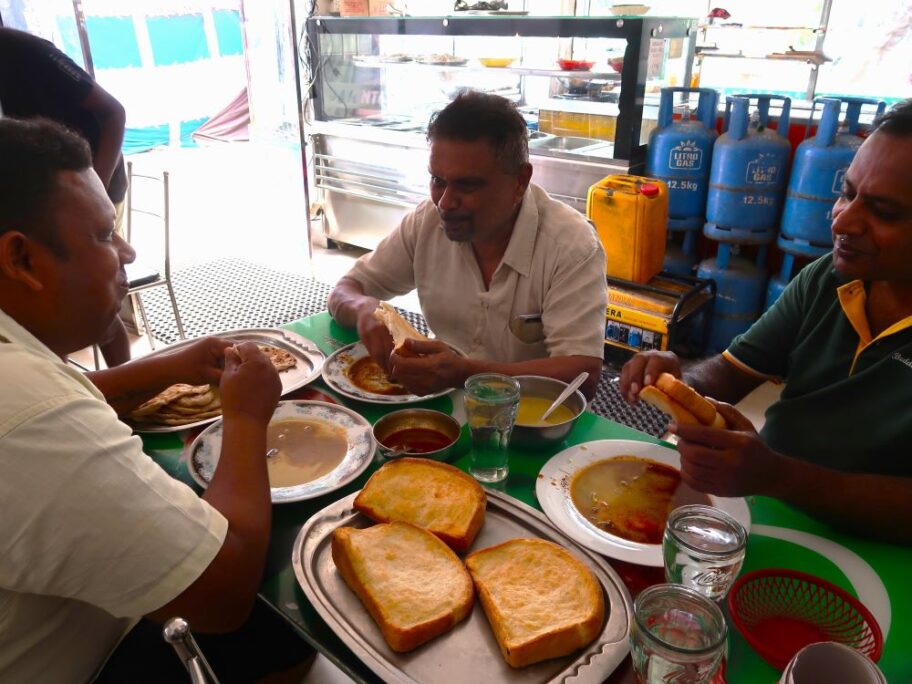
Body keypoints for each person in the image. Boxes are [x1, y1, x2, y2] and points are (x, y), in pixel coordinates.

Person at [0, 118, 311, 682]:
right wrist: (245, 418)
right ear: (21, 260)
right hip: (89, 662)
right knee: (280, 629)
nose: (127, 250)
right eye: (102, 235)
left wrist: (166, 366)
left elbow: (58, 398)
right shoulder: (28, 412)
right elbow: (222, 593)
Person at [620, 98, 912, 545]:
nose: (843, 221)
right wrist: (677, 379)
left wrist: (779, 476)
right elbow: (732, 370)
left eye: (885, 212)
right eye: (846, 193)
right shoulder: (827, 278)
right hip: (765, 509)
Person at [328, 90, 607, 399]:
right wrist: (364, 307)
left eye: (468, 185)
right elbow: (344, 291)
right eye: (437, 180)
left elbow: (584, 375)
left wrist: (463, 373)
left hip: (533, 422)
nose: (445, 202)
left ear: (520, 181)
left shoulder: (571, 246)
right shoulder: (426, 222)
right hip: (442, 403)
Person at [0, 25, 131, 367]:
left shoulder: (23, 52)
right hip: (27, 194)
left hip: (82, 184)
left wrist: (93, 192)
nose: (128, 252)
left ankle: (123, 379)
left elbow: (113, 112)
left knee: (94, 290)